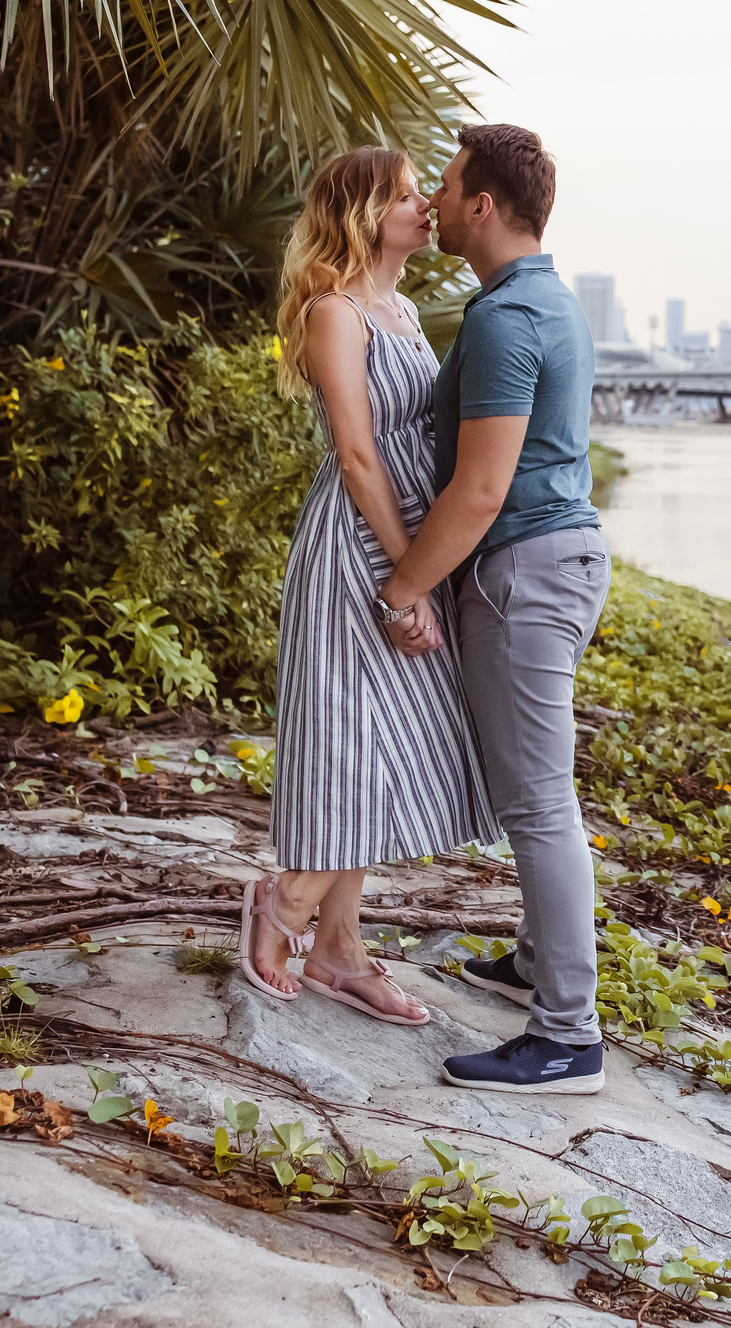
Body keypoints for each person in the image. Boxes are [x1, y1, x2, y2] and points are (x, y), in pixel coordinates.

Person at [376, 123, 612, 1095]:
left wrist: (404, 585)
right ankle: (533, 968)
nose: (431, 203)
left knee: (537, 800)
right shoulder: (538, 299)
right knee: (535, 789)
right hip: (550, 560)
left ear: (482, 204)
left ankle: (568, 1037)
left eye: (445, 186)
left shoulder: (508, 320)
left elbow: (479, 491)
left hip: (525, 569)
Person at [243, 146, 492, 1025]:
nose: (427, 206)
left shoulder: (404, 312)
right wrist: (405, 574)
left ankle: (340, 951)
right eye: (407, 195)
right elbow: (356, 452)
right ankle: (287, 904)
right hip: (361, 546)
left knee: (380, 742)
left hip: (409, 543)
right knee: (354, 740)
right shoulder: (334, 312)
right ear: (363, 213)